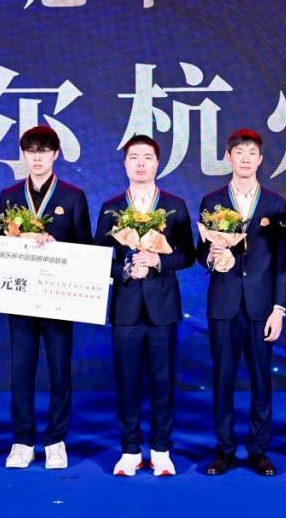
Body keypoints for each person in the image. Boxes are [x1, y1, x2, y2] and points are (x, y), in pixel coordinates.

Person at [94, 134, 194, 477]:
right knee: (127, 380)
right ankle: (130, 449)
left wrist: (158, 261)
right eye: (134, 157)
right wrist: (125, 269)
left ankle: (162, 449)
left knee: (163, 379)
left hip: (162, 307)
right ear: (125, 164)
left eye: (147, 157)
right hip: (126, 308)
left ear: (157, 163)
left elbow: (188, 255)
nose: (140, 163)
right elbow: (98, 257)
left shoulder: (174, 205)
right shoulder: (111, 207)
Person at [0, 126, 92, 470]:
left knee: (59, 370)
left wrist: (56, 245)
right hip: (21, 298)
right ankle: (22, 441)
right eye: (31, 151)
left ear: (55, 155)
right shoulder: (9, 195)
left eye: (44, 151)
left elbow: (86, 249)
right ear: (24, 155)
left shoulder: (73, 196)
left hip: (57, 299)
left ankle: (55, 440)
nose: (37, 158)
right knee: (21, 371)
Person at [197, 129, 286, 477]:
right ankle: (224, 450)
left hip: (261, 308)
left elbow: (282, 262)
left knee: (261, 380)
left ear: (260, 160)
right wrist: (212, 253)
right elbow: (199, 253)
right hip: (223, 304)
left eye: (252, 153)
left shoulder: (275, 203)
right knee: (222, 378)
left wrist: (278, 309)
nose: (246, 158)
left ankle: (258, 450)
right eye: (239, 152)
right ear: (229, 157)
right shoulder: (212, 201)